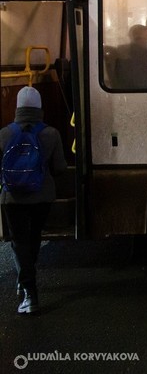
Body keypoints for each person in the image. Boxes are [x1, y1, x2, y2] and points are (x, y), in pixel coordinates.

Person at [0, 87, 67, 314]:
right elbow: (59, 167)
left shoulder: (4, 134)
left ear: (17, 108)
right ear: (40, 108)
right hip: (42, 196)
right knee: (33, 238)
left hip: (13, 198)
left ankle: (29, 291)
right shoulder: (51, 133)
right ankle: (26, 280)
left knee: (19, 242)